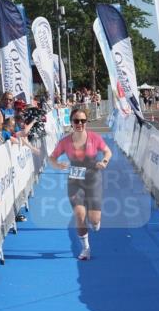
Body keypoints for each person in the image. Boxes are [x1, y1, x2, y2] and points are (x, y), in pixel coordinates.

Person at [47, 107, 112, 261]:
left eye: (83, 121)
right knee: (79, 214)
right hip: (75, 181)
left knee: (94, 220)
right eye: (76, 121)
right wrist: (58, 165)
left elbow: (108, 152)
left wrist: (104, 161)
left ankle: (95, 221)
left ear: (86, 122)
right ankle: (86, 249)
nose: (80, 124)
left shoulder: (95, 138)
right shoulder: (65, 141)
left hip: (93, 180)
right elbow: (52, 157)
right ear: (71, 122)